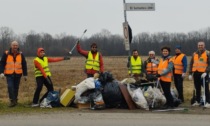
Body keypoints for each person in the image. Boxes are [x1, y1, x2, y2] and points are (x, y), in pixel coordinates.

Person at [0, 41, 28, 107]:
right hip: (9, 74)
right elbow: (2, 63)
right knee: (10, 87)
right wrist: (1, 72)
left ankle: (15, 101)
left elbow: (24, 64)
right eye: (13, 45)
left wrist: (25, 74)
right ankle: (12, 100)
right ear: (11, 46)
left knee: (16, 88)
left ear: (18, 46)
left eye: (16, 45)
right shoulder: (6, 53)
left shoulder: (21, 54)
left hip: (18, 74)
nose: (15, 47)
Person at [188, 41, 210, 108]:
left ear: (204, 45)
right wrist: (190, 73)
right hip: (196, 73)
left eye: (202, 45)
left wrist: (206, 72)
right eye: (199, 45)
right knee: (197, 88)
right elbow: (191, 63)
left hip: (204, 74)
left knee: (206, 88)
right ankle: (197, 101)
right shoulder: (194, 54)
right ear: (197, 46)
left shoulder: (208, 53)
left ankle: (208, 102)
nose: (200, 46)